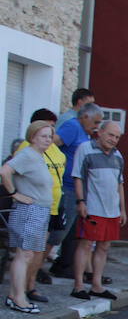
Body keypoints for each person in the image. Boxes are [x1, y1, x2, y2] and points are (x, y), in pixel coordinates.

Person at [2, 121, 56, 313]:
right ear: (32, 137)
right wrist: (14, 193)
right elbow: (5, 171)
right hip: (28, 211)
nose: (48, 140)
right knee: (23, 255)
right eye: (43, 136)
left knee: (28, 255)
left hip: (40, 211)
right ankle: (19, 298)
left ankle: (13, 295)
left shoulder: (38, 157)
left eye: (50, 136)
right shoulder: (27, 155)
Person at [70, 120, 125, 301]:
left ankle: (96, 284)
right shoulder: (85, 149)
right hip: (93, 207)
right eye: (110, 135)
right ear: (100, 132)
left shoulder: (118, 156)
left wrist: (122, 209)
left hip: (112, 210)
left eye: (117, 137)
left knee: (104, 247)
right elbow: (78, 177)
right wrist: (81, 201)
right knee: (86, 244)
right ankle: (78, 285)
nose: (114, 140)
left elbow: (120, 184)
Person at [15, 109, 65, 290]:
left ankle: (31, 285)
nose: (50, 133)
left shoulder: (55, 150)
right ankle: (22, 290)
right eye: (46, 128)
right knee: (28, 252)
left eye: (52, 129)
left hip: (53, 205)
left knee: (41, 249)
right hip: (33, 206)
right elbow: (10, 172)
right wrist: (15, 193)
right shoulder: (26, 149)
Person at [53, 101, 102, 279]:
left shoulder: (85, 133)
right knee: (59, 232)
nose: (97, 127)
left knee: (74, 232)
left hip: (78, 188)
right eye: (95, 122)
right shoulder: (73, 126)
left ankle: (66, 266)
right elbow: (52, 144)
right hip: (67, 186)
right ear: (85, 117)